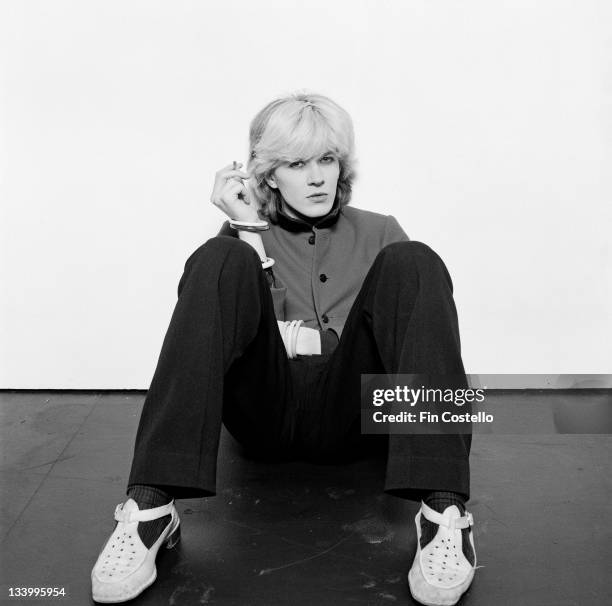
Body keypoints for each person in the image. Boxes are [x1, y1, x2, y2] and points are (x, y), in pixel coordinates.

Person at [91, 92, 477, 606]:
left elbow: (407, 342)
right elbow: (249, 338)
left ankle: (445, 513)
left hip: (355, 416)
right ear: (269, 175)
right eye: (297, 164)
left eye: (327, 159)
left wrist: (301, 337)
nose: (318, 177)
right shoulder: (242, 243)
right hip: (266, 416)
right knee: (217, 258)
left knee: (417, 261)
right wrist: (250, 231)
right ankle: (150, 508)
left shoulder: (382, 232)